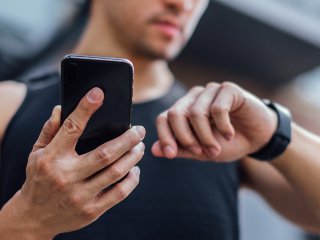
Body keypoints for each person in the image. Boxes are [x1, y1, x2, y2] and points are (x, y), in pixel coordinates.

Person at [0, 0, 319, 239]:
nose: (182, 5)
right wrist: (28, 219)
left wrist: (277, 132)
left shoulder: (223, 125)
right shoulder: (8, 104)